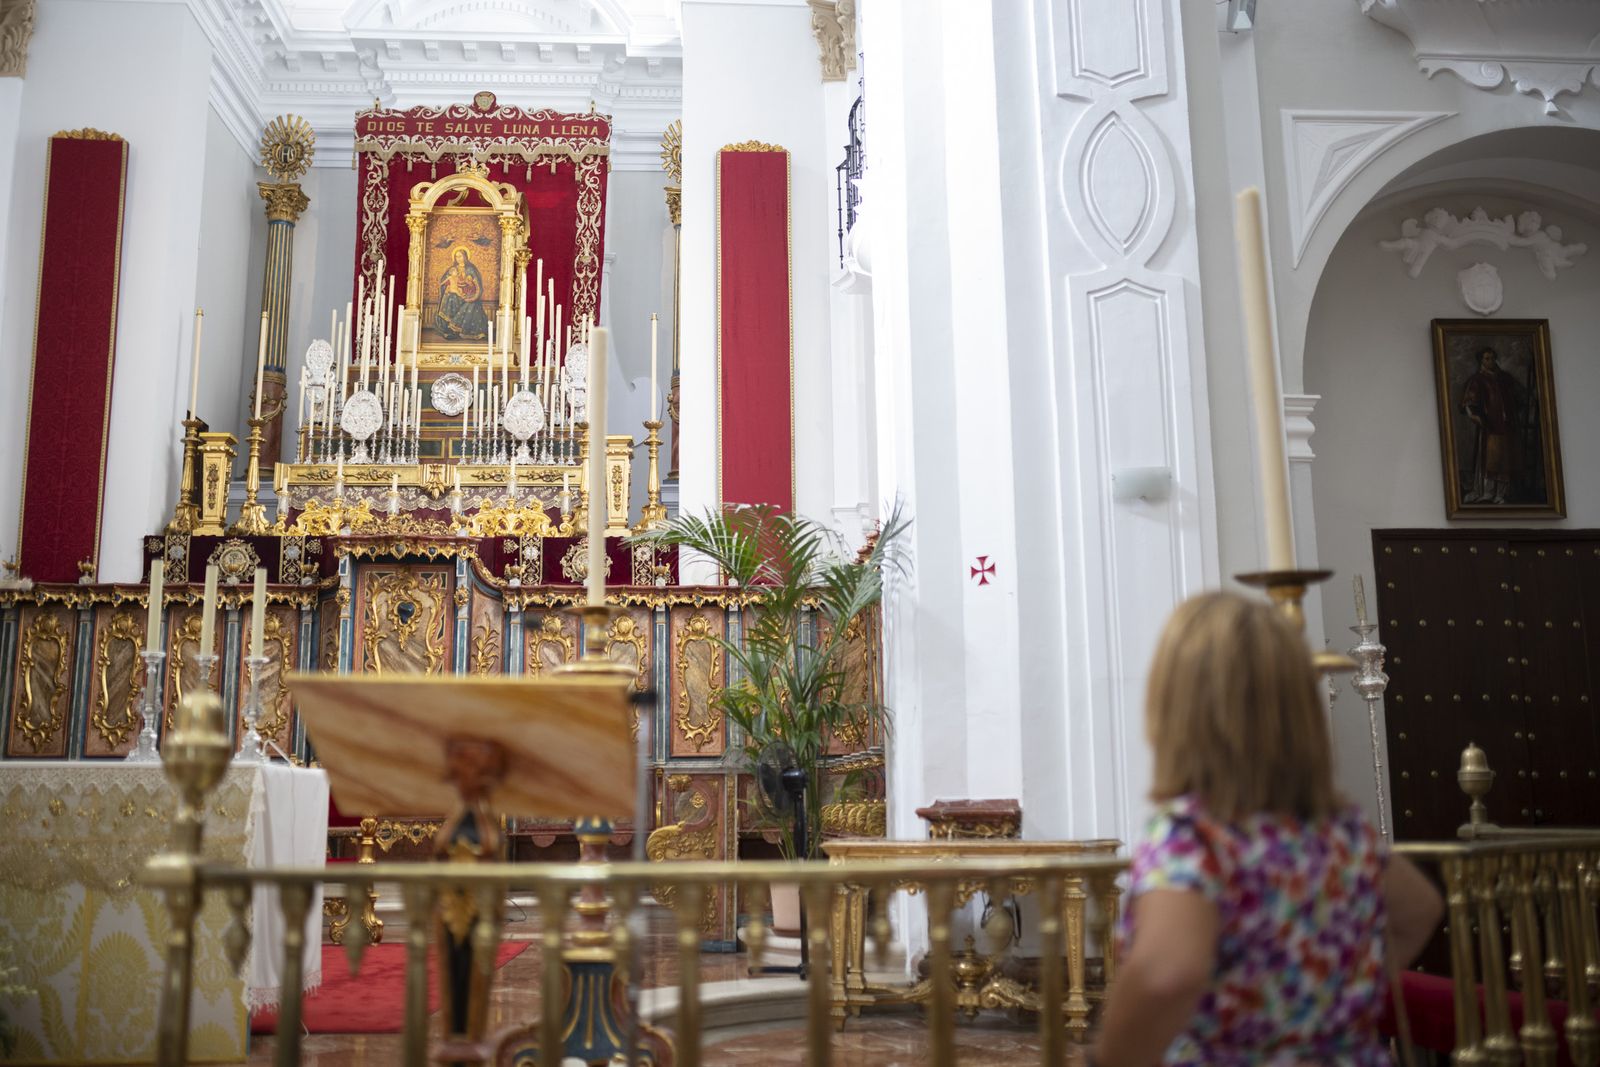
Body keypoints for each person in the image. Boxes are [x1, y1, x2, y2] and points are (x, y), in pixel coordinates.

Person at [1088, 592, 1442, 1067]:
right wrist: (1327, 1000)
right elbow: (1421, 909)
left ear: (1178, 708)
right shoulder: (1342, 830)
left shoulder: (1195, 837)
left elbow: (1165, 974)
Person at [1460, 347, 1520, 504]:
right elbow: (1468, 400)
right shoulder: (1478, 379)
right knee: (1490, 460)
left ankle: (1501, 493)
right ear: (1481, 360)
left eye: (1493, 358)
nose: (1491, 361)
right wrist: (1472, 414)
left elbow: (1519, 395)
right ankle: (1487, 492)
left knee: (1504, 460)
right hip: (1490, 426)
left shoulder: (1504, 378)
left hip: (1507, 426)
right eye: (1487, 358)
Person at [435, 247, 489, 341]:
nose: (458, 258)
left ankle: (459, 330)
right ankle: (449, 328)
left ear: (465, 256)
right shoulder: (452, 269)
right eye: (456, 257)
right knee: (449, 297)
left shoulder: (470, 270)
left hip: (469, 296)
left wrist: (472, 297)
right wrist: (447, 288)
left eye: (460, 256)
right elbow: (445, 282)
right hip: (456, 295)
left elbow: (478, 288)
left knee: (471, 305)